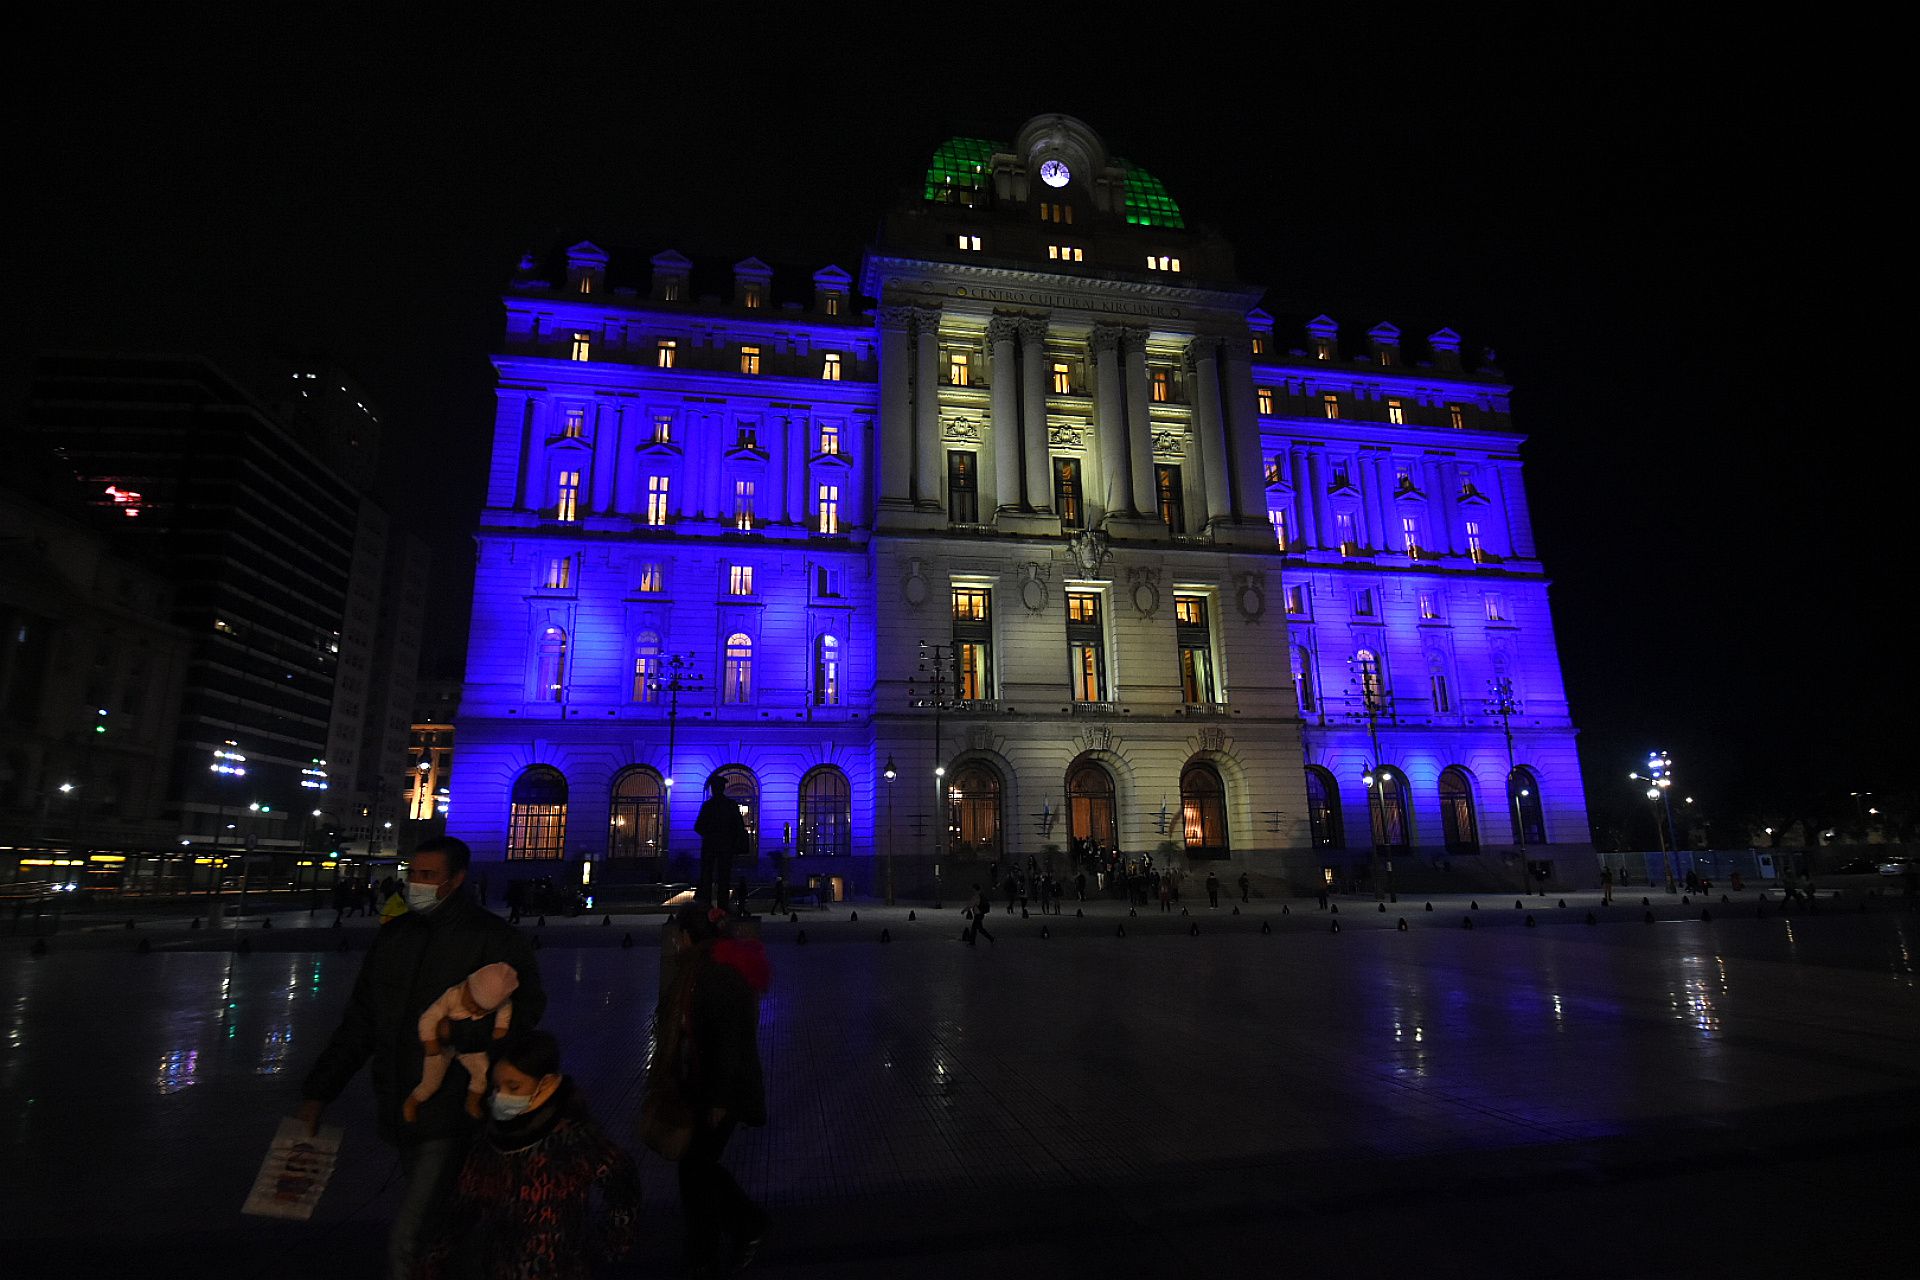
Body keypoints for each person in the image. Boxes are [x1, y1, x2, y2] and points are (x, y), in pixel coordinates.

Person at [297, 837, 545, 1280]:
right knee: (445, 1227)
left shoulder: (494, 939)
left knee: (410, 1238)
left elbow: (525, 1013)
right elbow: (361, 1022)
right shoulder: (395, 937)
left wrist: (458, 1033)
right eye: (413, 873)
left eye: (428, 876)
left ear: (456, 880)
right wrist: (319, 1091)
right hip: (401, 1105)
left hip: (452, 1111)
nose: (416, 884)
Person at [424, 1030, 638, 1280]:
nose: (501, 1096)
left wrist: (614, 1241)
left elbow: (622, 1181)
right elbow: (464, 1204)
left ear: (546, 1083)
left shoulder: (573, 1139)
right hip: (501, 1268)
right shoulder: (490, 1141)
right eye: (496, 1087)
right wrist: (435, 1256)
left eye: (513, 1087)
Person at [660, 905, 770, 1277]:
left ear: (688, 937)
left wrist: (721, 1099)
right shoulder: (705, 966)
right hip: (705, 1083)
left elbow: (730, 1039)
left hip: (719, 1089)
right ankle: (706, 1249)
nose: (675, 942)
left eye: (678, 935)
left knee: (697, 1168)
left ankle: (743, 1227)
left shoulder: (714, 973)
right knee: (694, 1171)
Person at [404, 962, 520, 1123]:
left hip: (470, 1045)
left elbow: (506, 1007)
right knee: (431, 1082)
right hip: (442, 1045)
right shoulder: (453, 996)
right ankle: (413, 1101)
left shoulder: (501, 1003)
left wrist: (501, 1026)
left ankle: (472, 1102)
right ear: (467, 985)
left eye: (483, 1010)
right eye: (472, 1003)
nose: (475, 1011)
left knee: (482, 1074)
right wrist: (430, 1041)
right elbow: (428, 1018)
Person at [694, 776, 749, 910]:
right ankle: (722, 909)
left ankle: (706, 908)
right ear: (723, 788)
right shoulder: (730, 805)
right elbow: (739, 827)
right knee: (724, 879)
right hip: (725, 847)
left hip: (710, 847)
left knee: (707, 878)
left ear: (713, 789)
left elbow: (698, 827)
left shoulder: (708, 806)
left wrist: (710, 835)